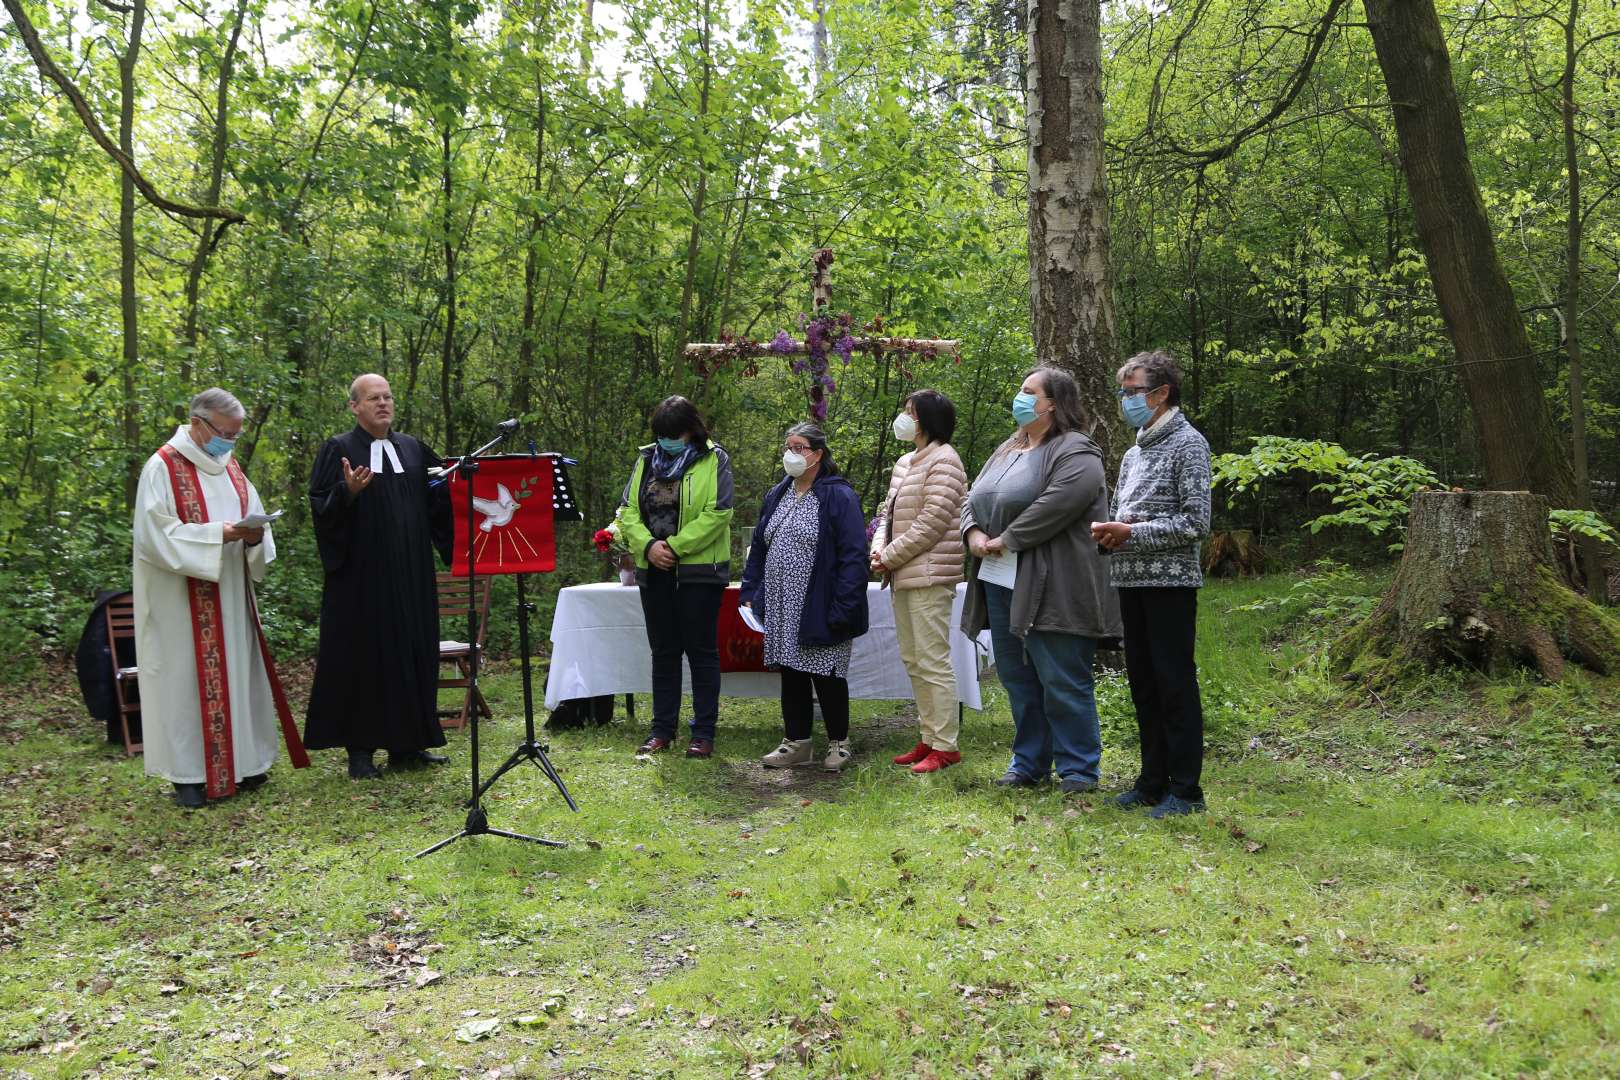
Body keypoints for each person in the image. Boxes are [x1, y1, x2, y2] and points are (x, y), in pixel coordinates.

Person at [132, 388, 309, 808]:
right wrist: (221, 535)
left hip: (230, 596)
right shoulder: (162, 467)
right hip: (180, 601)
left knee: (239, 677)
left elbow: (257, 522)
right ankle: (190, 776)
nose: (229, 443)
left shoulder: (231, 469)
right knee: (185, 681)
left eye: (235, 435)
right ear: (198, 423)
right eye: (225, 433)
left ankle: (245, 765)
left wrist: (253, 535)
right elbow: (154, 537)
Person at [961, 366, 1120, 793]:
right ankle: (1029, 763)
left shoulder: (1077, 450)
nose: (1020, 397)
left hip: (1056, 583)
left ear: (1053, 402)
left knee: (1062, 677)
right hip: (999, 579)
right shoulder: (1008, 449)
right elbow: (971, 499)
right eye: (1020, 389)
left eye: (1029, 391)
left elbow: (1061, 501)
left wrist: (1007, 539)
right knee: (1017, 677)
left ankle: (1079, 771)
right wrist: (973, 534)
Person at [304, 373, 454, 779]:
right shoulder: (339, 449)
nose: (383, 404)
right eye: (373, 399)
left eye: (387, 397)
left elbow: (442, 501)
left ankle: (408, 746)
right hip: (361, 580)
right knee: (364, 659)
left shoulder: (413, 448)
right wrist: (347, 493)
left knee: (413, 652)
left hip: (412, 576)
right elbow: (321, 508)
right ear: (354, 406)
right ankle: (361, 752)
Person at [1092, 350, 1213, 818]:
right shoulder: (1133, 451)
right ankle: (1151, 781)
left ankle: (1186, 790)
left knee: (1173, 683)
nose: (1126, 401)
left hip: (1170, 583)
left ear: (1162, 393)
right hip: (1130, 579)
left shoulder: (1189, 444)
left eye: (1132, 392)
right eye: (1123, 392)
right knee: (1142, 682)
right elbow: (1126, 512)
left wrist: (1132, 533)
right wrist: (1110, 535)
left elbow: (1195, 522)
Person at [739, 422, 870, 771]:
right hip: (783, 603)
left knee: (826, 674)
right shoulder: (778, 493)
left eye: (799, 447)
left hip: (821, 602)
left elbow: (854, 555)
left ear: (818, 454)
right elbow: (760, 550)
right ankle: (796, 743)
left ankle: (839, 743)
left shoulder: (837, 495)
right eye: (788, 446)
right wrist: (751, 591)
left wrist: (844, 605)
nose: (791, 454)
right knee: (792, 672)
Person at [615, 396, 734, 759]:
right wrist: (649, 546)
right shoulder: (646, 459)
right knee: (663, 653)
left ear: (691, 430)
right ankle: (662, 730)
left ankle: (703, 733)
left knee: (701, 653)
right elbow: (627, 510)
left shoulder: (715, 459)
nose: (667, 441)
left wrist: (676, 547)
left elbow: (719, 512)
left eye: (674, 434)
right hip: (654, 572)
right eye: (662, 435)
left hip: (699, 573)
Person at [870, 390, 968, 774]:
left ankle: (946, 745)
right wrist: (878, 550)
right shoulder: (905, 462)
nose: (903, 418)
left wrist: (889, 555)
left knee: (933, 660)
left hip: (930, 575)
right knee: (914, 659)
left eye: (910, 412)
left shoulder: (946, 460)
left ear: (927, 419)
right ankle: (929, 736)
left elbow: (933, 522)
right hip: (902, 575)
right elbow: (886, 514)